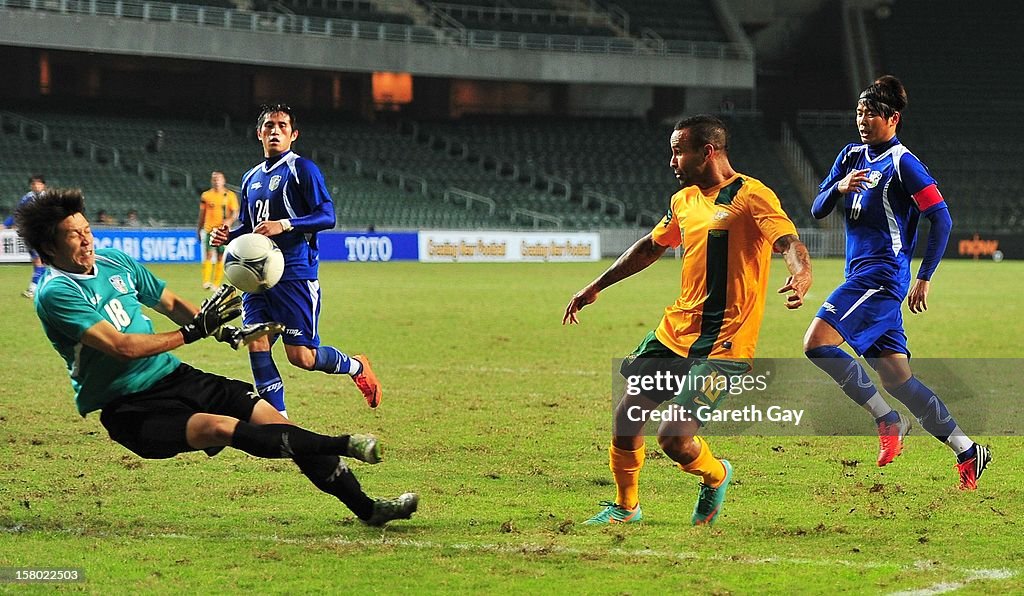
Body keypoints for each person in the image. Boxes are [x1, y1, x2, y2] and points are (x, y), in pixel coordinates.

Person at [13, 188, 418, 526]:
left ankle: (368, 510)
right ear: (49, 246)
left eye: (87, 229)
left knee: (274, 420)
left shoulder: (115, 261)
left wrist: (224, 330)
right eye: (74, 235)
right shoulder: (56, 293)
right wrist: (192, 333)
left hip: (174, 377)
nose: (87, 240)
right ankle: (345, 443)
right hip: (130, 408)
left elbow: (169, 301)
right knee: (222, 427)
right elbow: (121, 347)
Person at [563, 115, 812, 526]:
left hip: (724, 344)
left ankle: (716, 476)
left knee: (674, 439)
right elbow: (650, 246)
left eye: (679, 151)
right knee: (627, 417)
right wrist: (596, 286)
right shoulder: (683, 201)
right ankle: (626, 509)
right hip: (675, 332)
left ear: (708, 152)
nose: (672, 160)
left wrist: (801, 272)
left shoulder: (751, 196)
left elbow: (787, 241)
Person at [803, 75, 990, 490]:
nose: (863, 119)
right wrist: (838, 185)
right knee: (898, 380)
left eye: (871, 113)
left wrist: (924, 276)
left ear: (893, 118)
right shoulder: (850, 156)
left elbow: (941, 218)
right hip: (861, 277)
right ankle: (968, 449)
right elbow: (817, 208)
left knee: (816, 343)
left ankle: (887, 420)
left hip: (881, 276)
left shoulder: (903, 163)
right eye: (859, 112)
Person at [211, 104, 381, 418]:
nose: (275, 131)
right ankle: (279, 422)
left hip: (295, 275)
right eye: (269, 126)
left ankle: (356, 366)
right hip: (257, 277)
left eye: (282, 126)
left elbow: (327, 215)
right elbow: (250, 227)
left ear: (293, 134)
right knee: (257, 342)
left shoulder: (302, 169)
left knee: (301, 357)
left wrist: (285, 224)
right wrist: (229, 236)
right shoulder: (250, 178)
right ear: (259, 133)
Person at [3, 175, 47, 298]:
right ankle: (40, 287)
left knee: (39, 261)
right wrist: (5, 225)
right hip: (30, 232)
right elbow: (17, 213)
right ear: (30, 186)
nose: (36, 186)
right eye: (34, 184)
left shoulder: (48, 198)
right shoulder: (28, 198)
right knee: (36, 261)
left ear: (44, 185)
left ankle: (32, 290)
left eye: (39, 184)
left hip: (43, 233)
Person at [197, 171, 240, 289]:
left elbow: (235, 212)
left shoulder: (230, 195)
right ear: (211, 181)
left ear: (223, 180)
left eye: (218, 179)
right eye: (214, 179)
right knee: (208, 255)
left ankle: (216, 284)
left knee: (221, 256)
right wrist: (199, 229)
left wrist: (229, 221)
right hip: (209, 229)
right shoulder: (206, 195)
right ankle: (206, 281)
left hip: (222, 231)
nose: (216, 181)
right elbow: (202, 214)